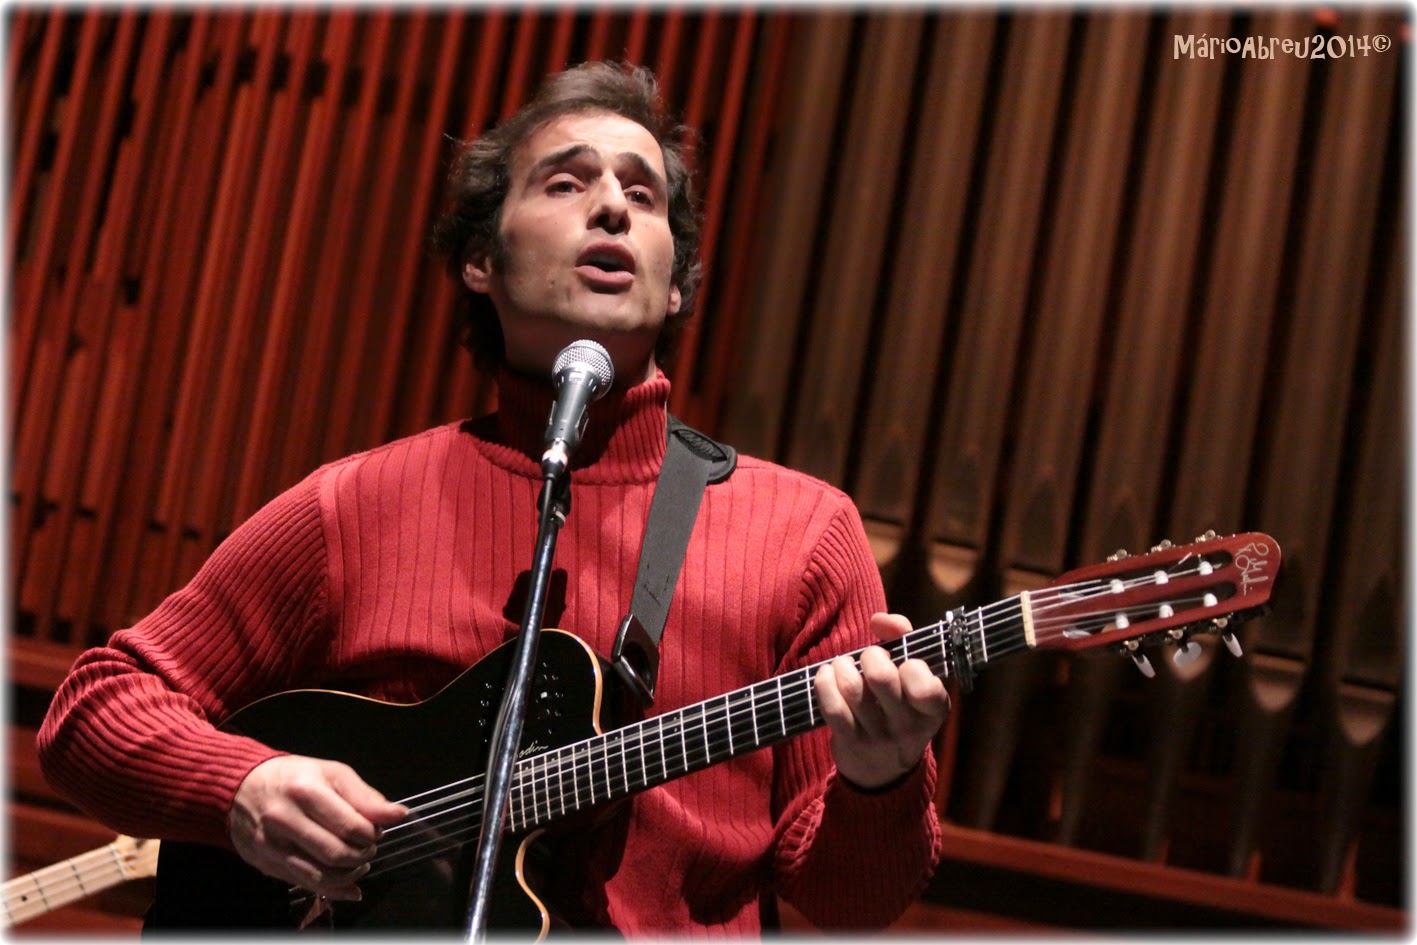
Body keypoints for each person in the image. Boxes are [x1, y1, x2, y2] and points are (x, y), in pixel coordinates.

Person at [37, 61, 948, 935]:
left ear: (675, 283)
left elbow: (854, 903)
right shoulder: (356, 506)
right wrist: (244, 785)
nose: (611, 207)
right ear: (480, 258)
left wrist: (879, 777)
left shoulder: (804, 534)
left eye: (642, 196)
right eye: (566, 183)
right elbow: (95, 709)